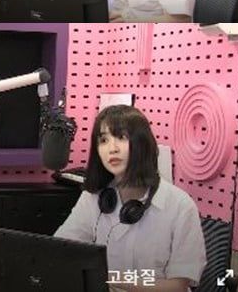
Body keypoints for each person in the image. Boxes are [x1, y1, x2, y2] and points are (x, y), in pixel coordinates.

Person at [55, 105, 206, 292]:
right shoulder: (94, 197)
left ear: (141, 144)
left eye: (121, 137)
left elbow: (178, 285)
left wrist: (114, 278)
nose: (112, 149)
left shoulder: (180, 206)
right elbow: (61, 250)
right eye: (103, 140)